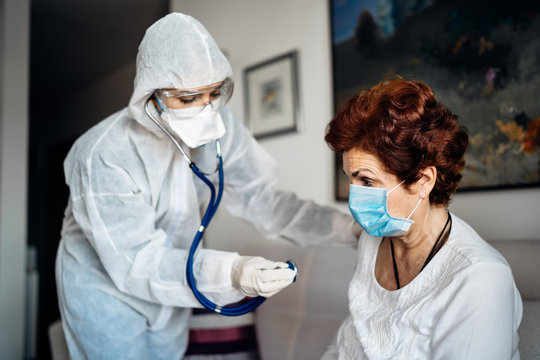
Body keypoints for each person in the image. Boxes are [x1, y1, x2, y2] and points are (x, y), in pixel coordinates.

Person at [55, 12, 359, 359]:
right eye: (187, 99)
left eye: (214, 93)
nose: (205, 109)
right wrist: (231, 272)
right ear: (151, 95)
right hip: (107, 292)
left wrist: (345, 228)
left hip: (174, 287)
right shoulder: (103, 154)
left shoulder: (219, 129)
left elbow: (263, 199)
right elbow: (137, 262)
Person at [322, 77, 522, 359]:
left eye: (366, 181)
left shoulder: (479, 279)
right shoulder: (373, 240)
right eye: (349, 180)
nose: (354, 197)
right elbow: (345, 345)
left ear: (423, 181)